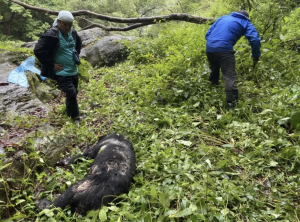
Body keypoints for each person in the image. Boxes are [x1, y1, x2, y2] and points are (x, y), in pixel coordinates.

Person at [205, 10, 261, 110]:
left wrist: (214, 43)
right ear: (246, 17)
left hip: (209, 47)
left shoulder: (223, 17)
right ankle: (232, 104)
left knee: (214, 68)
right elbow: (255, 39)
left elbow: (208, 34)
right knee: (229, 76)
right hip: (224, 49)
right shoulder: (245, 22)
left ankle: (212, 88)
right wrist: (255, 55)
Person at [34, 11, 82, 123]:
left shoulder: (72, 32)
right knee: (71, 92)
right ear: (58, 21)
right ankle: (75, 118)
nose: (67, 27)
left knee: (74, 92)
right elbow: (38, 50)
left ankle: (70, 113)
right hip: (61, 72)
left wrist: (75, 55)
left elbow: (79, 43)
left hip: (73, 70)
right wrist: (51, 65)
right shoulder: (51, 34)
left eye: (69, 24)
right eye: (64, 24)